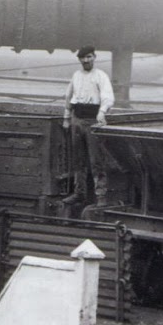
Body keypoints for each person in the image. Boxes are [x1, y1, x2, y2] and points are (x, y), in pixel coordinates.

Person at [60, 46, 114, 207]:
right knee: (78, 160)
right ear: (80, 60)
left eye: (89, 57)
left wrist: (102, 112)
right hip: (77, 119)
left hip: (93, 121)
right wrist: (66, 118)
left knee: (96, 160)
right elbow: (68, 97)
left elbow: (108, 97)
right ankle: (79, 193)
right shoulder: (76, 76)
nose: (86, 60)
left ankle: (101, 196)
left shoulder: (100, 76)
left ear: (94, 57)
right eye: (83, 58)